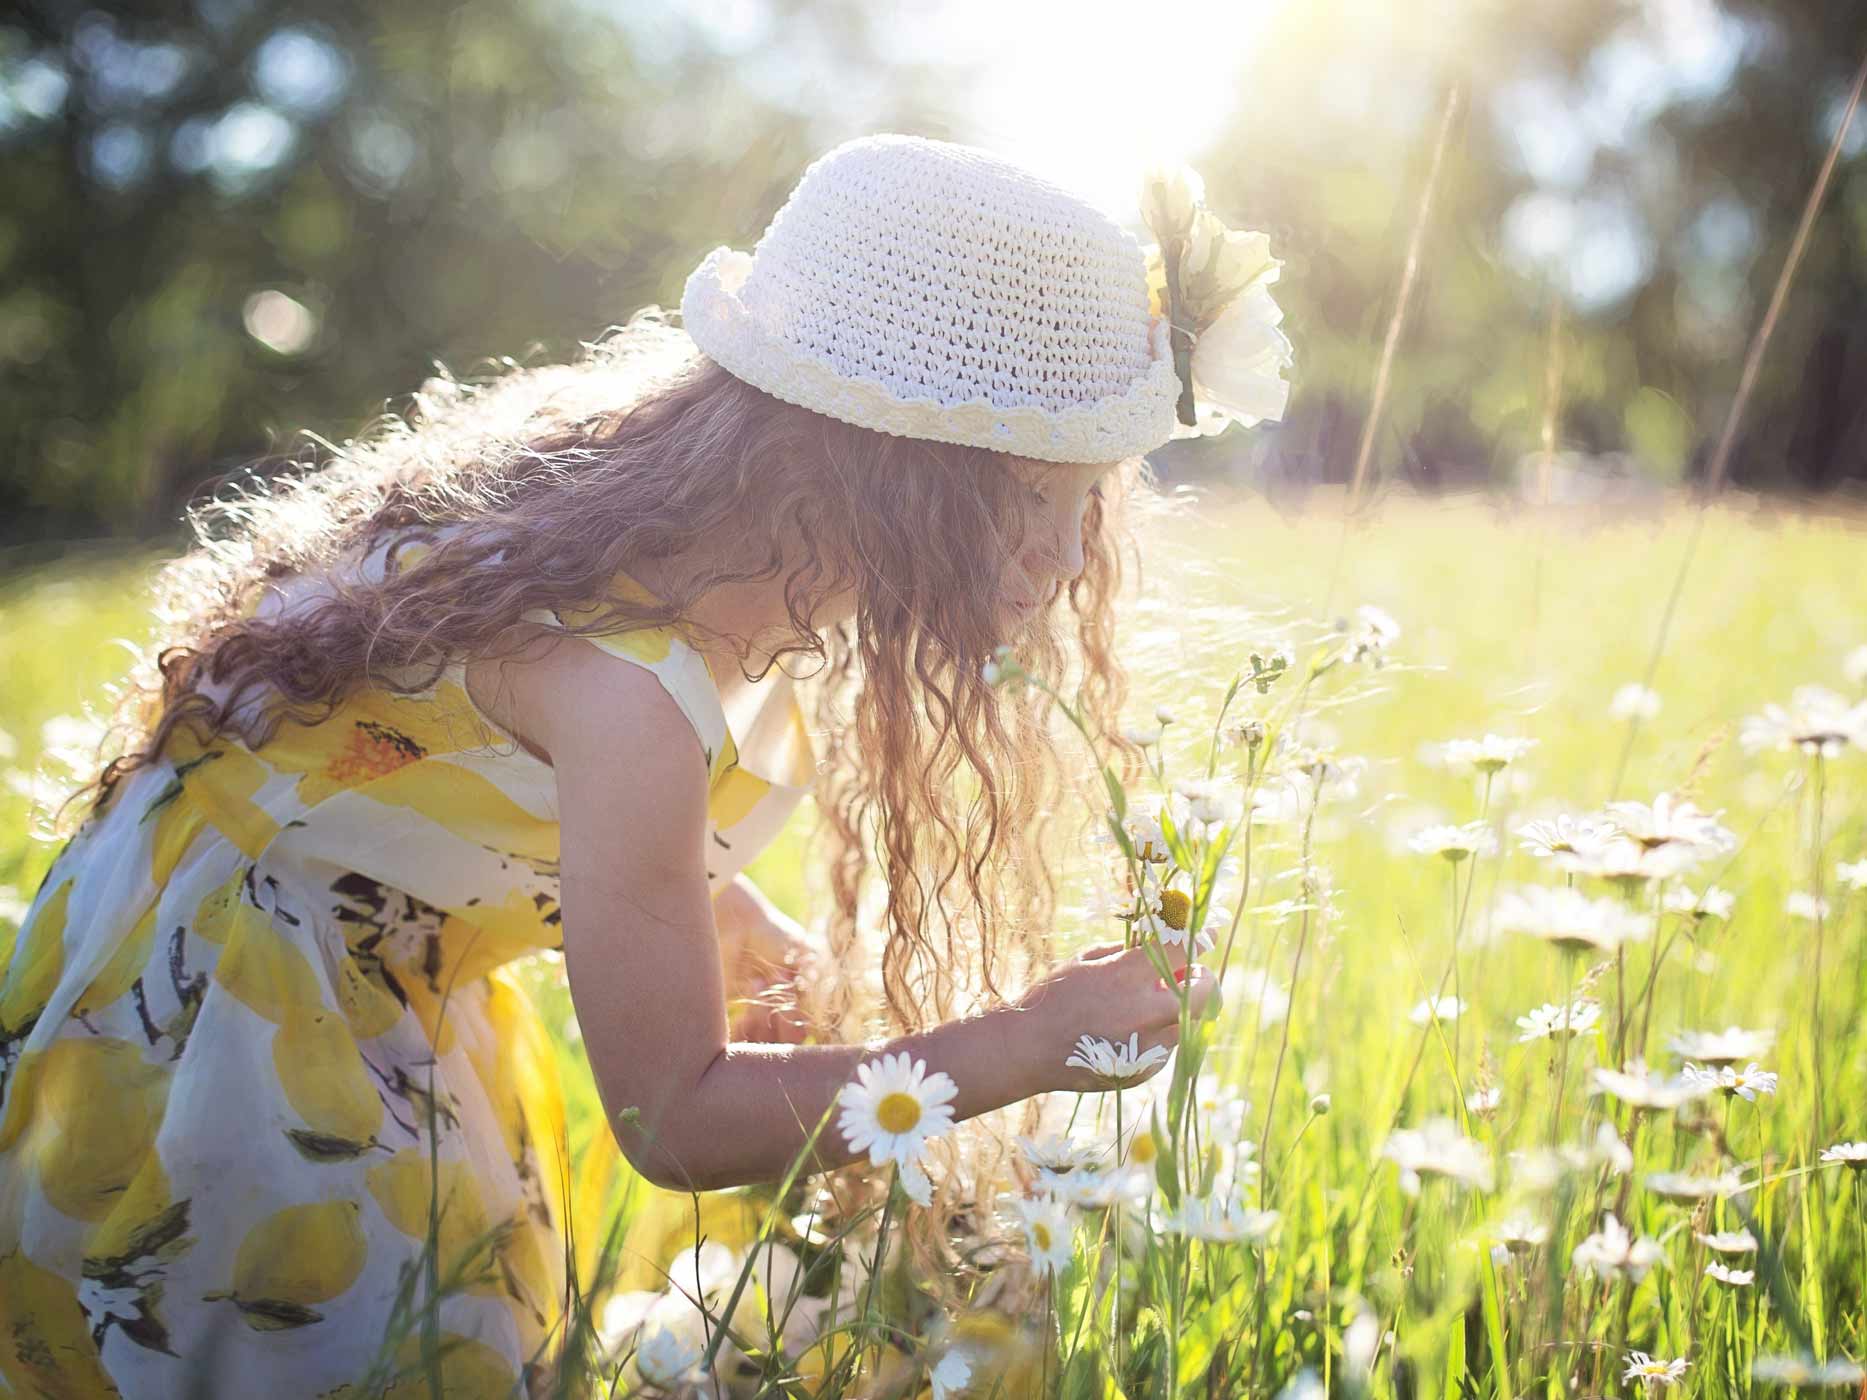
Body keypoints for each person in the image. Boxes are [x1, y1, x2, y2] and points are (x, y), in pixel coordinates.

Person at [0, 132, 1218, 1397]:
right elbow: (671, 1118)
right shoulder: (626, 684)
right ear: (904, 480)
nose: (1080, 557)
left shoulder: (688, 539)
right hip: (236, 1031)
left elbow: (429, 776)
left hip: (361, 949)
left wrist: (712, 905)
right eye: (1047, 500)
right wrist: (1022, 1043)